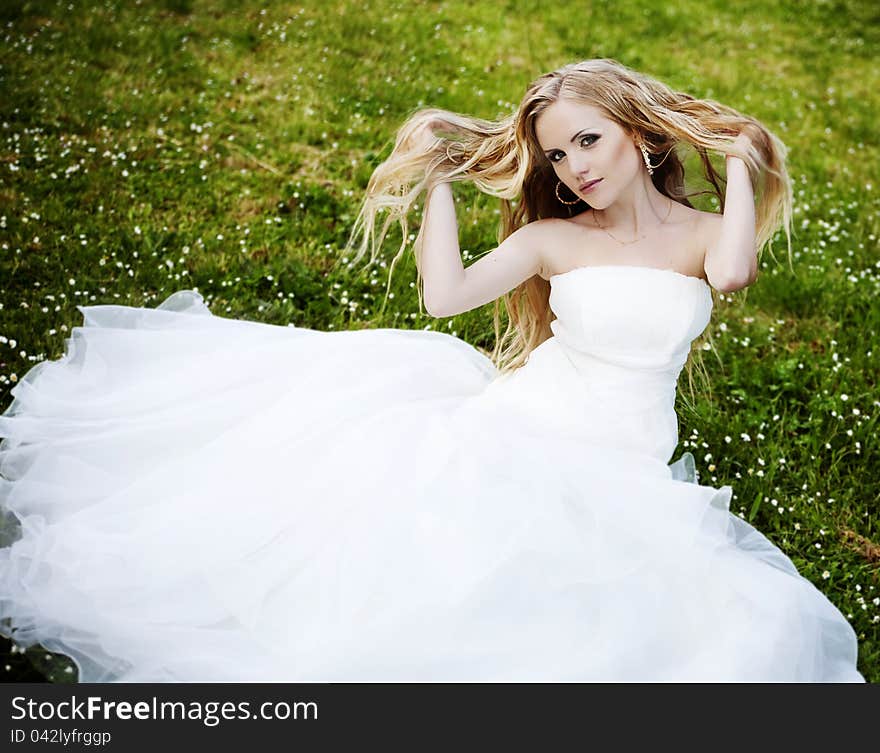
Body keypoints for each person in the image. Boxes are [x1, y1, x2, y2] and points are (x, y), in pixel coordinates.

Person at [0, 59, 865, 682]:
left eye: (591, 141)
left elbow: (737, 272)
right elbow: (447, 296)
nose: (578, 167)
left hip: (627, 456)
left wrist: (745, 164)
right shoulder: (553, 239)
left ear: (640, 134)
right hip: (529, 433)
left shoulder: (702, 234)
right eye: (559, 156)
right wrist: (443, 178)